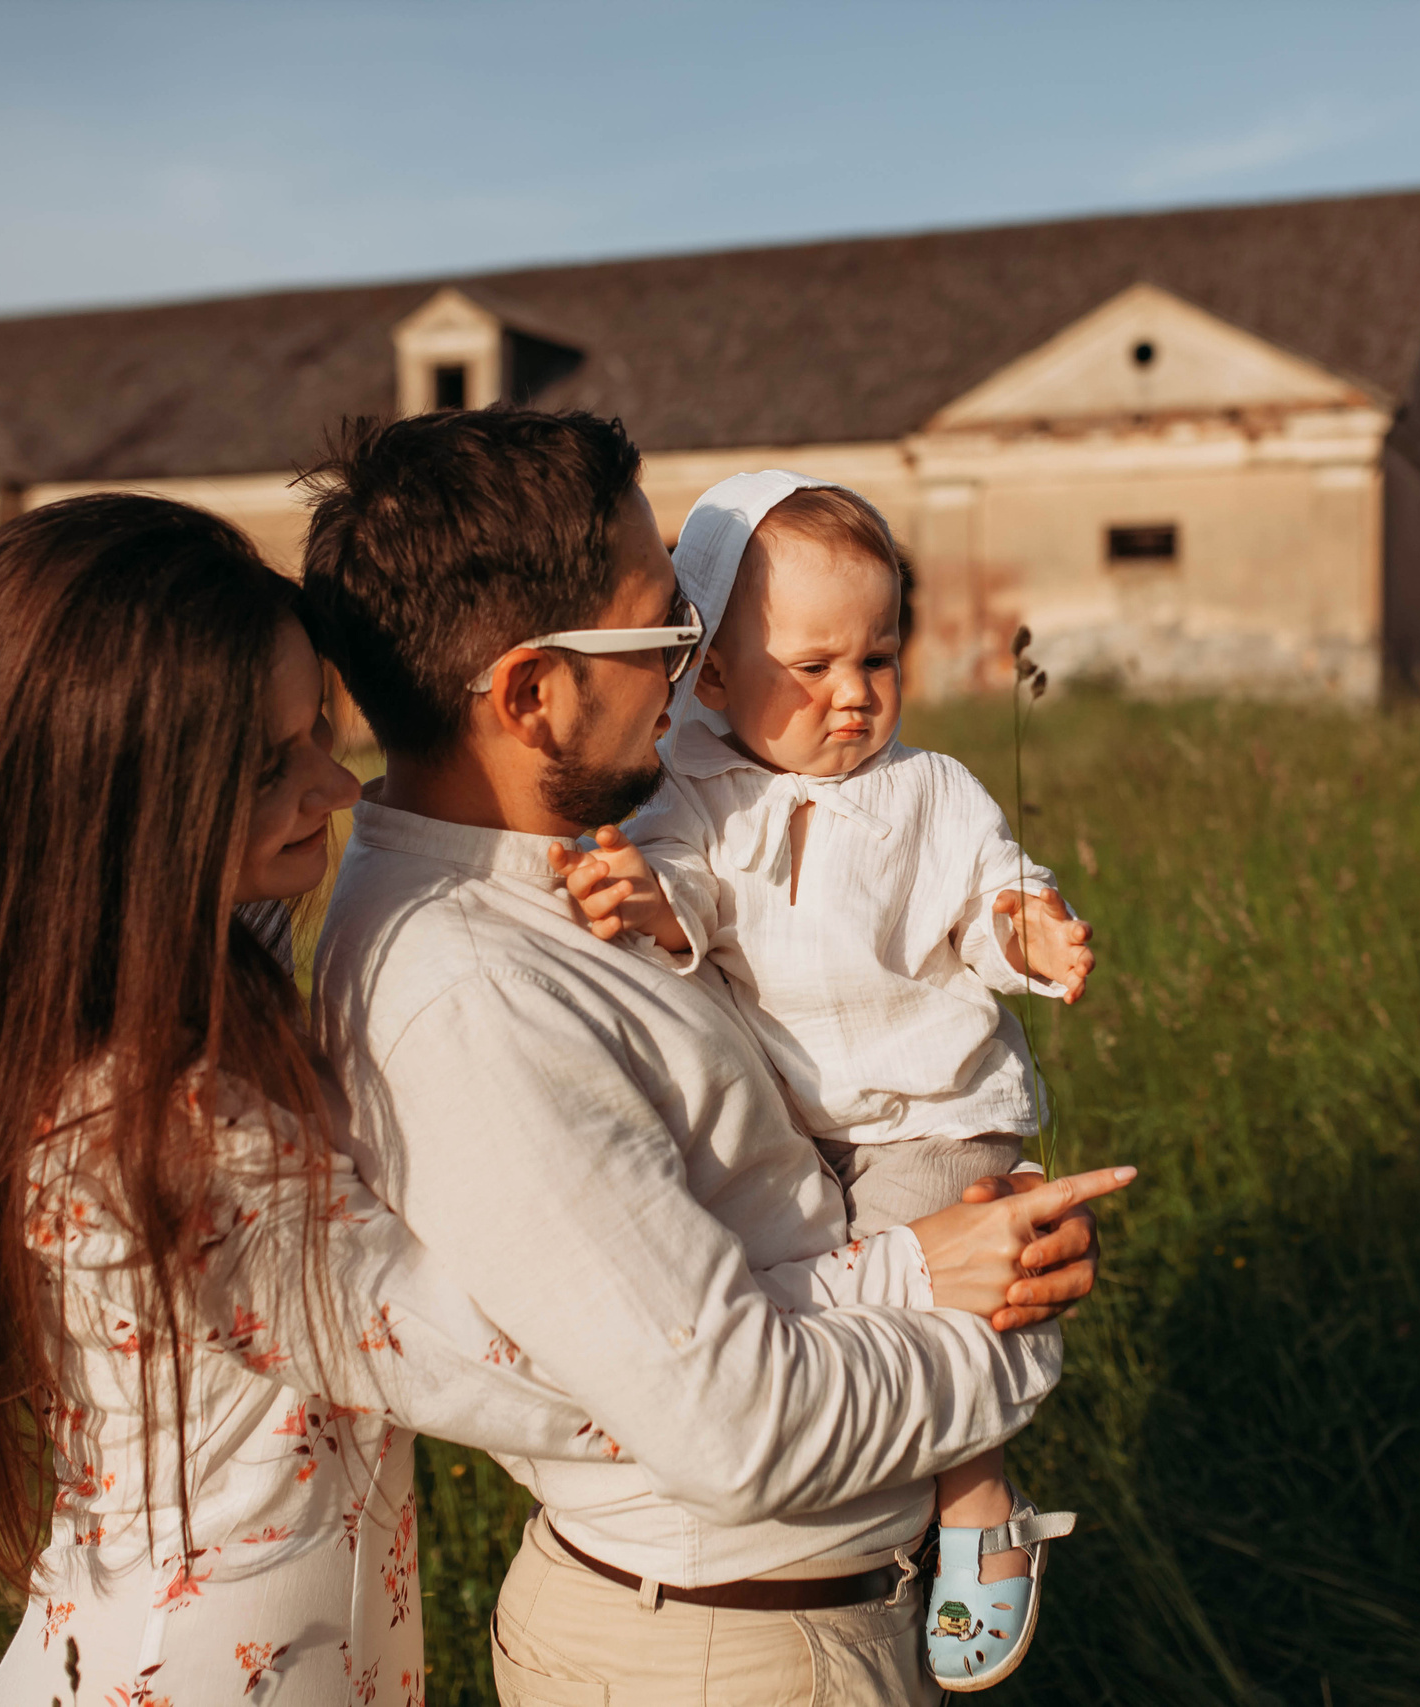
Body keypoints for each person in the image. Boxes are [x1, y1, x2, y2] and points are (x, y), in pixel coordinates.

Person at [0, 493, 1081, 1706]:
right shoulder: (156, 1135)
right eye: (273, 762)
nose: (334, 786)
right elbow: (611, 1385)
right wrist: (922, 1279)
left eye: (323, 726)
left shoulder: (169, 972)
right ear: (124, 808)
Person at [302, 409, 1133, 1705]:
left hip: (768, 1625)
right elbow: (737, 1423)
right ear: (531, 691)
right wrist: (983, 1304)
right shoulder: (470, 993)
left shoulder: (575, 870)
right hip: (722, 1651)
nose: (692, 672)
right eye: (667, 631)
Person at [551, 471, 1095, 1691]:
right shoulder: (691, 791)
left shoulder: (929, 792)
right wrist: (645, 897)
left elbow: (987, 892)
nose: (853, 696)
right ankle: (881, 1508)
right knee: (817, 1303)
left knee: (929, 1284)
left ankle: (975, 1496)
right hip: (798, 1123)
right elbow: (682, 886)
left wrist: (1028, 930)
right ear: (713, 674)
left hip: (933, 1112)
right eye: (812, 666)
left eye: (879, 657)